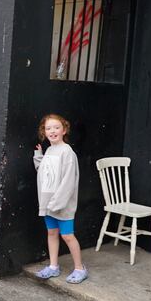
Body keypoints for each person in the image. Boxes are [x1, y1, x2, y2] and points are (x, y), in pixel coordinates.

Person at [32, 114, 87, 284]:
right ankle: (53, 266)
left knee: (68, 235)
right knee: (52, 232)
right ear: (44, 132)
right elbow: (44, 172)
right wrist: (38, 155)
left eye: (56, 127)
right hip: (48, 204)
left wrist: (57, 203)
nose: (52, 131)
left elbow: (69, 181)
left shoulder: (67, 152)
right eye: (48, 128)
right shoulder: (49, 150)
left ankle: (80, 268)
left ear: (64, 130)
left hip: (61, 205)